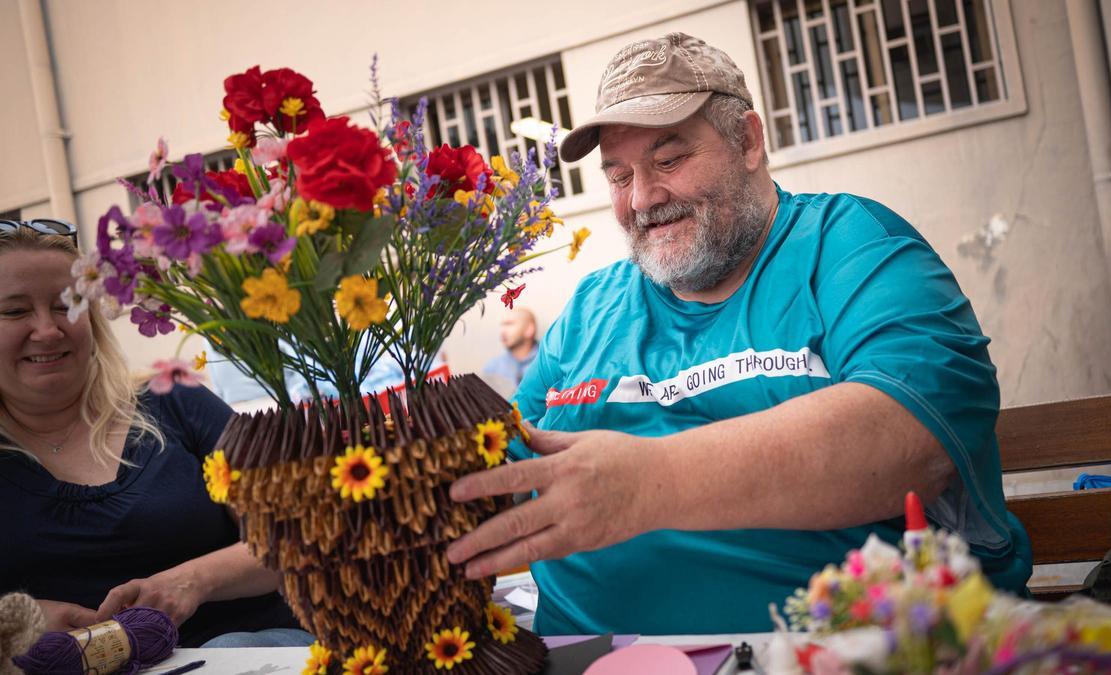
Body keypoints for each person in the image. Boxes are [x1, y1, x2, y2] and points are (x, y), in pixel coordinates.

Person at [446, 33, 1032, 635]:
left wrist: (647, 485)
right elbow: (502, 459)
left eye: (669, 160)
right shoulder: (592, 307)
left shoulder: (850, 247)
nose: (642, 199)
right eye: (619, 176)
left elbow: (911, 440)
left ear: (748, 141)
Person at [0, 224, 311, 648]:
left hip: (249, 650)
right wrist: (18, 623)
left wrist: (194, 581)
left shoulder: (174, 401)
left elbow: (296, 536)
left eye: (66, 305)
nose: (48, 329)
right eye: (15, 311)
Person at [481, 308, 540, 398]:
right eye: (502, 325)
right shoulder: (493, 367)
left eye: (509, 324)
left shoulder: (547, 363)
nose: (503, 331)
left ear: (529, 329)